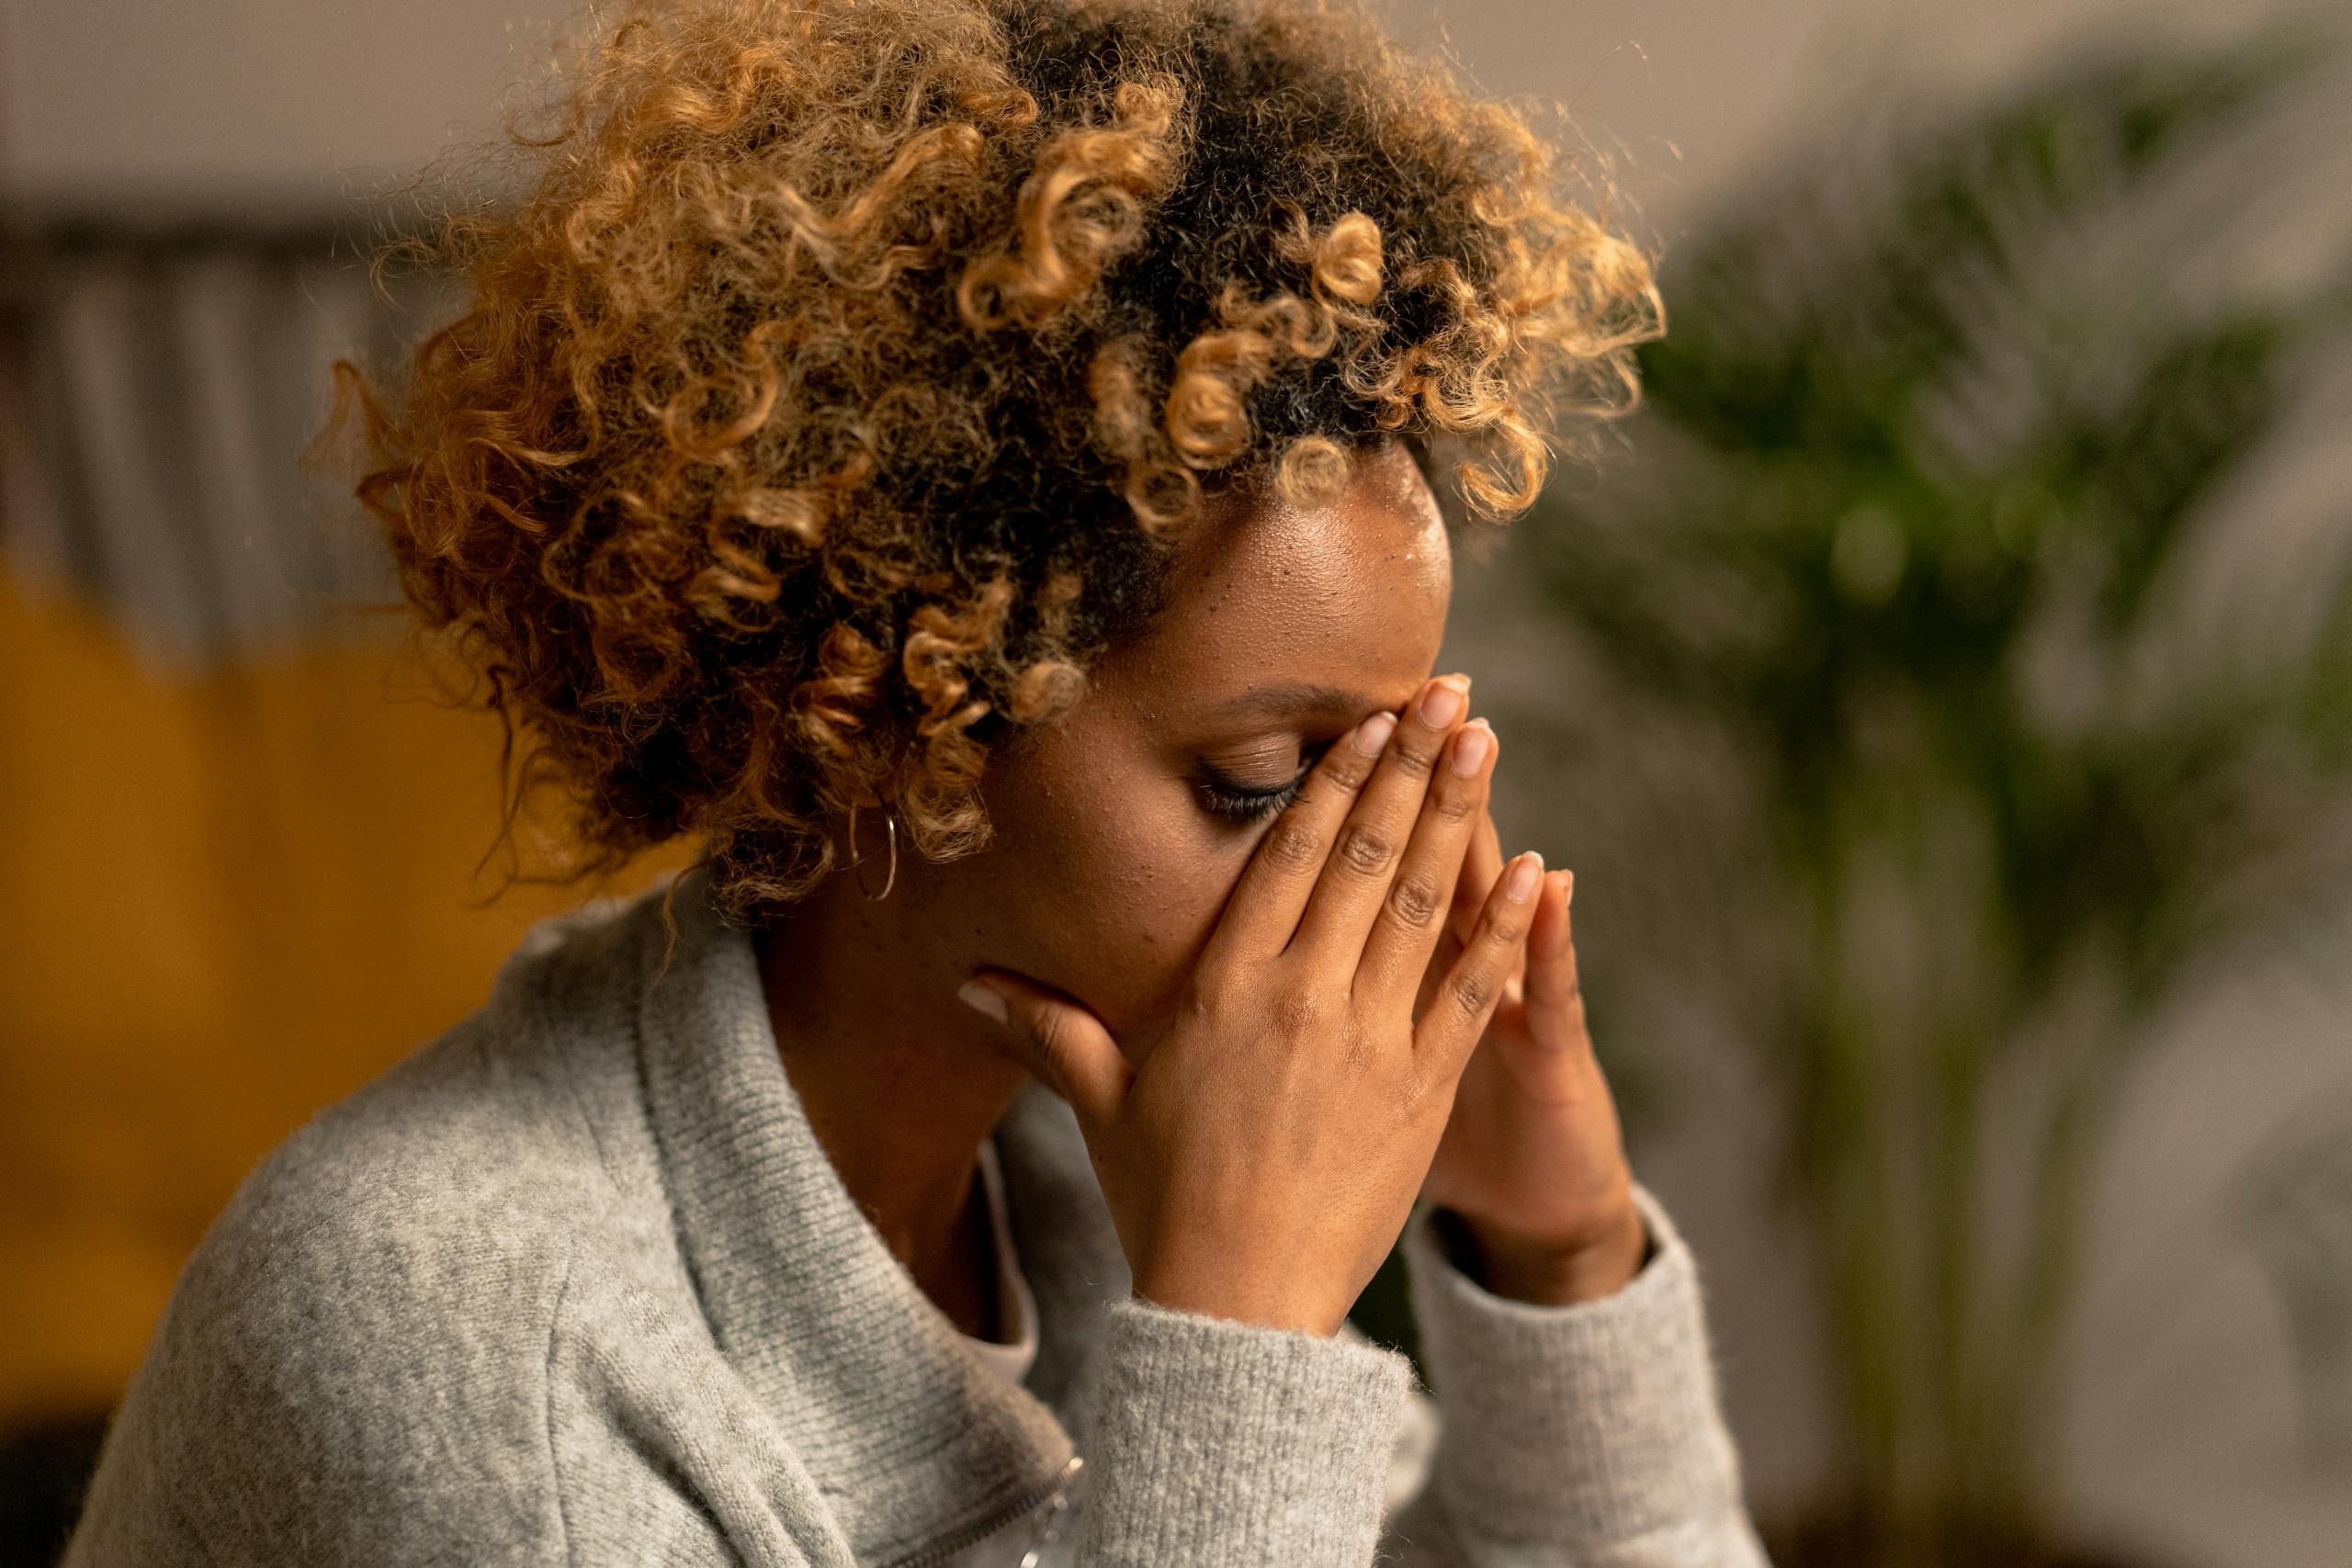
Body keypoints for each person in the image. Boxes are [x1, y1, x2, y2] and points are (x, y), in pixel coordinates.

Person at [65, 1, 1770, 1562]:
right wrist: (1240, 1336)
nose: (1373, 883)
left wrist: (1557, 1254)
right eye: (1263, 779)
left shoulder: (1074, 1186)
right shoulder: (463, 1357)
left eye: (1396, 766)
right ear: (890, 708)